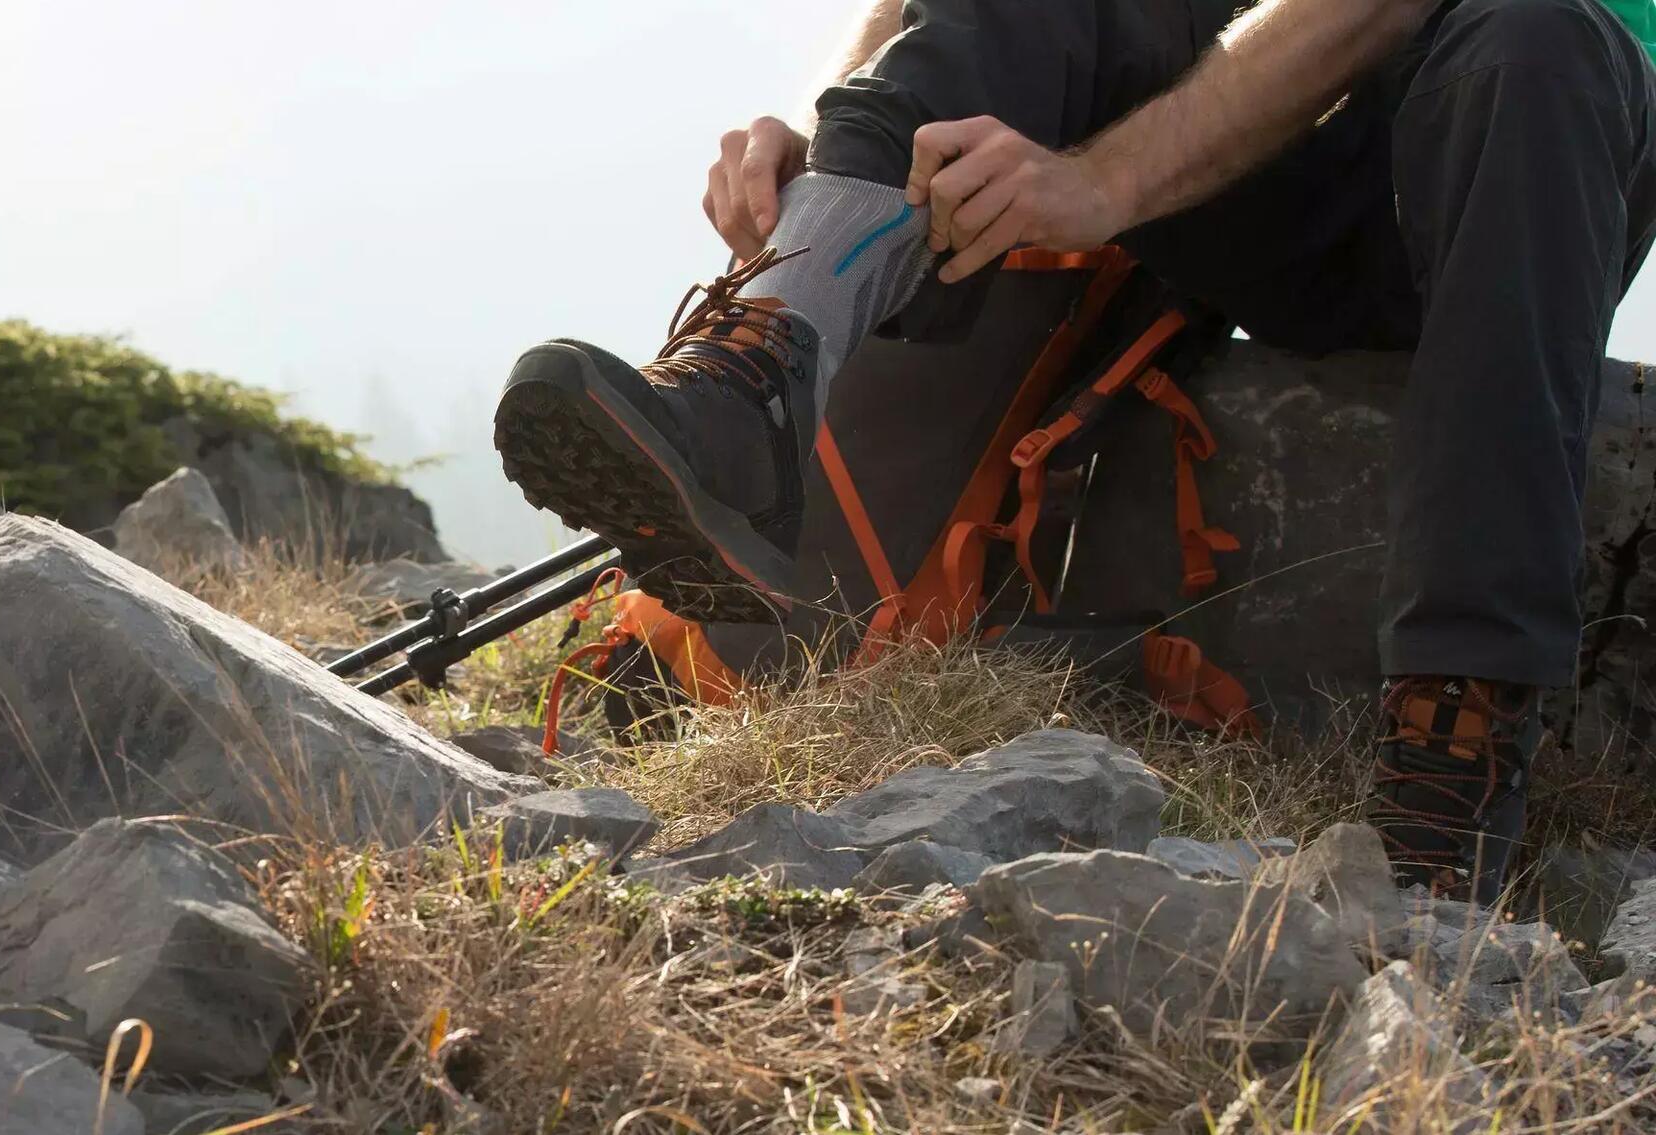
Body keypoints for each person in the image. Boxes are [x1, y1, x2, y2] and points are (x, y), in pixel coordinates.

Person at [492, 0, 1656, 904]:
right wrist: (827, 151)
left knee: (1536, 31)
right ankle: (759, 381)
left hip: (1507, 147)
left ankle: (1456, 727)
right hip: (1259, 132)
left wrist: (1101, 183)